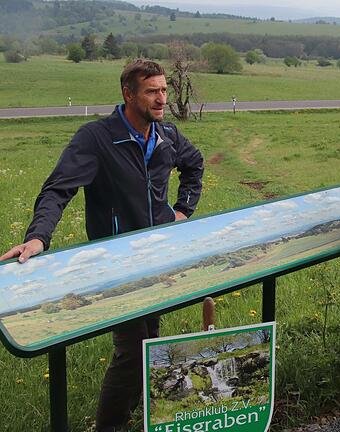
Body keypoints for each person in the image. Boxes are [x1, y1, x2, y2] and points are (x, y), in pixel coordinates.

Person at [0, 59, 204, 431]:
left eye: (164, 90)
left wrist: (182, 211)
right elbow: (58, 188)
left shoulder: (167, 136)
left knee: (150, 338)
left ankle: (140, 415)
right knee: (131, 351)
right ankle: (109, 426)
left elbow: (194, 164)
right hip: (115, 263)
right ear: (128, 94)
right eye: (151, 91)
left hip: (158, 256)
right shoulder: (96, 138)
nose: (161, 99)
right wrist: (37, 236)